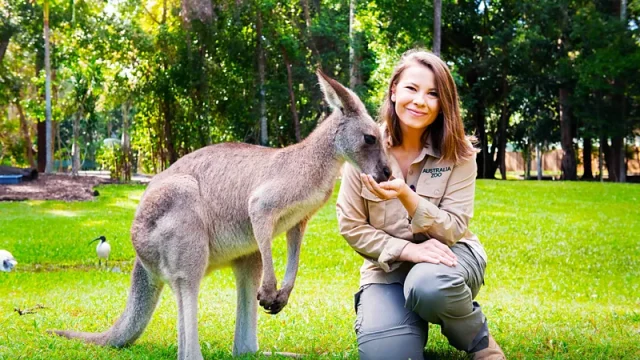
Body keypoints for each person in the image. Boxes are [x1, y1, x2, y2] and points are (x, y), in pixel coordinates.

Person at [336, 49, 505, 360]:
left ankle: (483, 346)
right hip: (387, 269)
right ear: (394, 90)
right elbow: (351, 226)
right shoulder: (361, 149)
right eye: (411, 89)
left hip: (449, 259)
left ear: (443, 105)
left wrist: (406, 195)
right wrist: (408, 251)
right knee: (387, 355)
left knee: (429, 285)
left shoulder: (460, 154)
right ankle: (402, 318)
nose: (419, 101)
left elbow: (454, 228)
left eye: (432, 94)